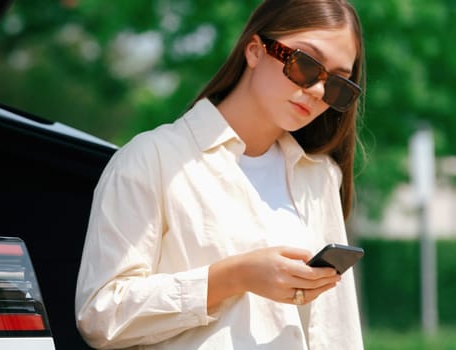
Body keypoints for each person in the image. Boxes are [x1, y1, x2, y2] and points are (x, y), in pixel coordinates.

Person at [74, 0, 365, 349]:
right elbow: (100, 315)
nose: (318, 92)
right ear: (255, 51)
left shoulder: (320, 177)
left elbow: (336, 329)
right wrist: (234, 276)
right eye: (305, 64)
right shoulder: (152, 158)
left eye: (337, 86)